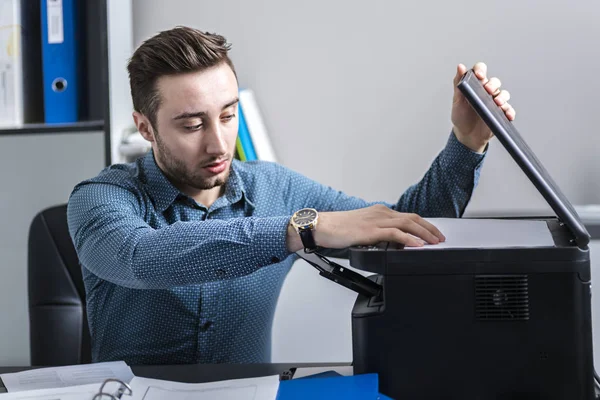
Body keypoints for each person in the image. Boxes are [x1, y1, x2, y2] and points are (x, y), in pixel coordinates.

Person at [66, 26, 515, 365]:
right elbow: (140, 257)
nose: (219, 143)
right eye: (192, 125)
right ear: (145, 127)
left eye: (227, 115)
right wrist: (301, 230)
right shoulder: (101, 198)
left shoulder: (276, 188)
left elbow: (406, 227)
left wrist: (466, 143)